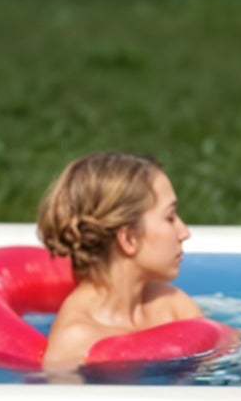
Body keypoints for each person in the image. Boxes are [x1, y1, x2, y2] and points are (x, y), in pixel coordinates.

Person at [35, 151, 204, 375]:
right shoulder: (75, 343)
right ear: (129, 239)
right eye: (170, 218)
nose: (184, 232)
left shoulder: (169, 304)